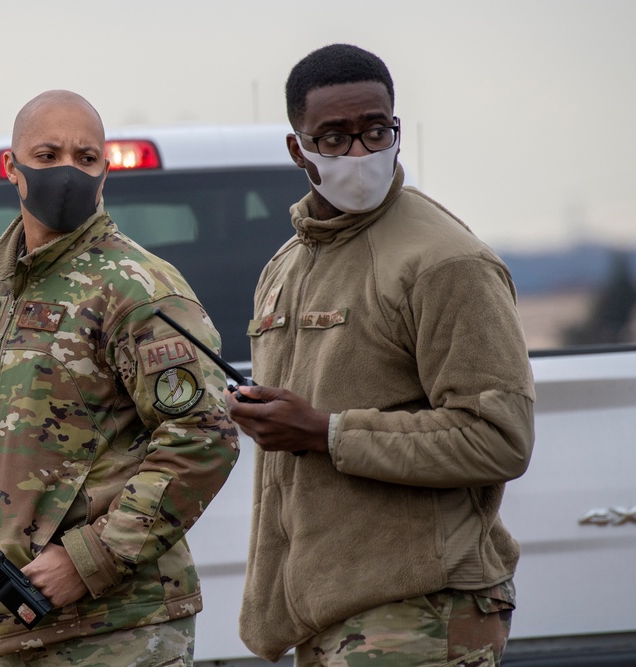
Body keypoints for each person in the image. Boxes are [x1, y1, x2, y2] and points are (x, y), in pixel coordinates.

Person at [227, 44, 535, 667]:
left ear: (397, 129)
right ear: (298, 149)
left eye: (374, 131)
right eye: (334, 138)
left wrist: (325, 431)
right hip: (327, 614)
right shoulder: (285, 267)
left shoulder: (448, 262)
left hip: (421, 612)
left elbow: (499, 438)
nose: (359, 153)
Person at [0, 89, 239, 665]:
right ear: (12, 168)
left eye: (86, 158)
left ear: (104, 172)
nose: (67, 171)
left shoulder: (137, 287)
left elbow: (202, 438)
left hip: (117, 630)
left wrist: (89, 558)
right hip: (11, 627)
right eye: (47, 156)